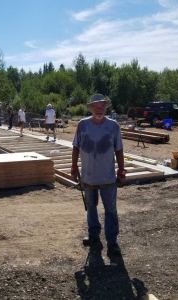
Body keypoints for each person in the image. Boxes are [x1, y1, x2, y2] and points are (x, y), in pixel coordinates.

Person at [71, 93, 126, 257]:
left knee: (110, 210)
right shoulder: (82, 125)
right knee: (91, 209)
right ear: (91, 108)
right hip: (88, 177)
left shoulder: (113, 126)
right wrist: (74, 167)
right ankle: (94, 237)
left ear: (105, 107)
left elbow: (119, 149)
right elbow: (75, 147)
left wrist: (121, 170)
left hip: (108, 177)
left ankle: (112, 242)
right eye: (96, 105)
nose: (99, 108)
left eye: (102, 105)